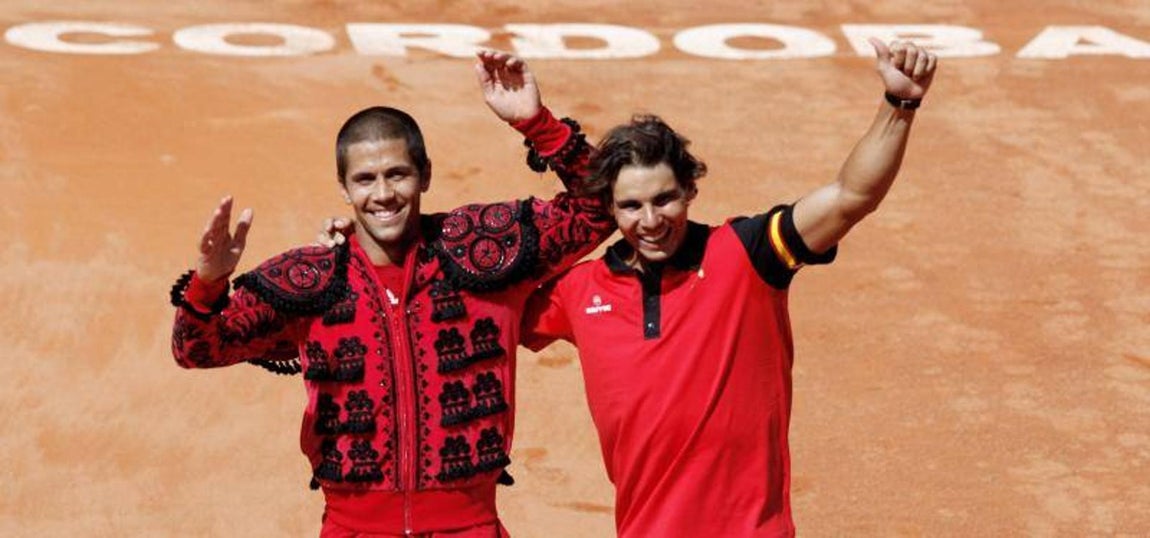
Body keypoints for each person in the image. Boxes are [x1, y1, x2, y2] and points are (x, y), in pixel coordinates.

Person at [168, 51, 614, 537]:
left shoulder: (484, 247)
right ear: (344, 188)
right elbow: (196, 349)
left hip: (470, 526)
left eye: (397, 174)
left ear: (424, 175)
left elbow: (600, 208)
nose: (383, 194)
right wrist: (209, 281)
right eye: (365, 179)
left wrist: (536, 122)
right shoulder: (310, 279)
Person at [518, 38, 938, 537]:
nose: (650, 221)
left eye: (665, 199)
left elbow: (852, 196)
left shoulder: (746, 255)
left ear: (690, 191)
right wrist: (538, 126)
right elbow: (481, 312)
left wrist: (901, 104)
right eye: (631, 206)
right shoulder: (578, 291)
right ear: (609, 208)